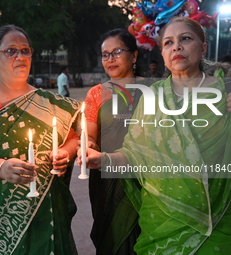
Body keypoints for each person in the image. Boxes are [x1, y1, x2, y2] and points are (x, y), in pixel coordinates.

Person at [79, 17, 231, 254]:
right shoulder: (153, 95)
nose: (177, 47)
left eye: (185, 39)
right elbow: (135, 154)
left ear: (203, 48)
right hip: (160, 223)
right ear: (162, 53)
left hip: (215, 224)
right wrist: (103, 159)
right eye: (168, 42)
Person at [0, 24, 81, 254]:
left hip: (47, 211)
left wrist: (66, 153)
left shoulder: (50, 102)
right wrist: (1, 168)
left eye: (25, 50)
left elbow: (73, 140)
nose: (20, 56)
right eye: (10, 51)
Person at [84, 28, 153, 255]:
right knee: (112, 238)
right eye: (105, 54)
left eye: (117, 52)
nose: (110, 59)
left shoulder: (156, 90)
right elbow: (90, 135)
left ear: (134, 56)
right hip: (107, 177)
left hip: (147, 177)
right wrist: (89, 145)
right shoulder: (96, 93)